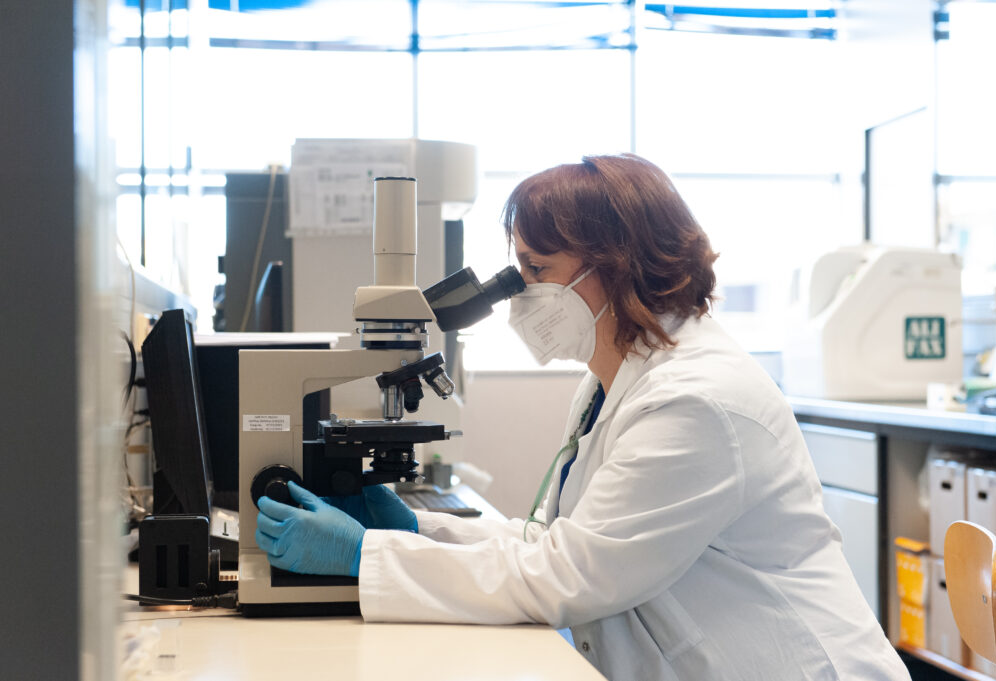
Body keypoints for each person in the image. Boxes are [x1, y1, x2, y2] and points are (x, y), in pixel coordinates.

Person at [255, 154, 911, 681]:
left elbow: (566, 578)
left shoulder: (698, 399)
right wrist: (419, 530)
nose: (520, 295)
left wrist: (365, 553)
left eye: (535, 270)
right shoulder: (614, 381)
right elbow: (552, 543)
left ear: (617, 265)